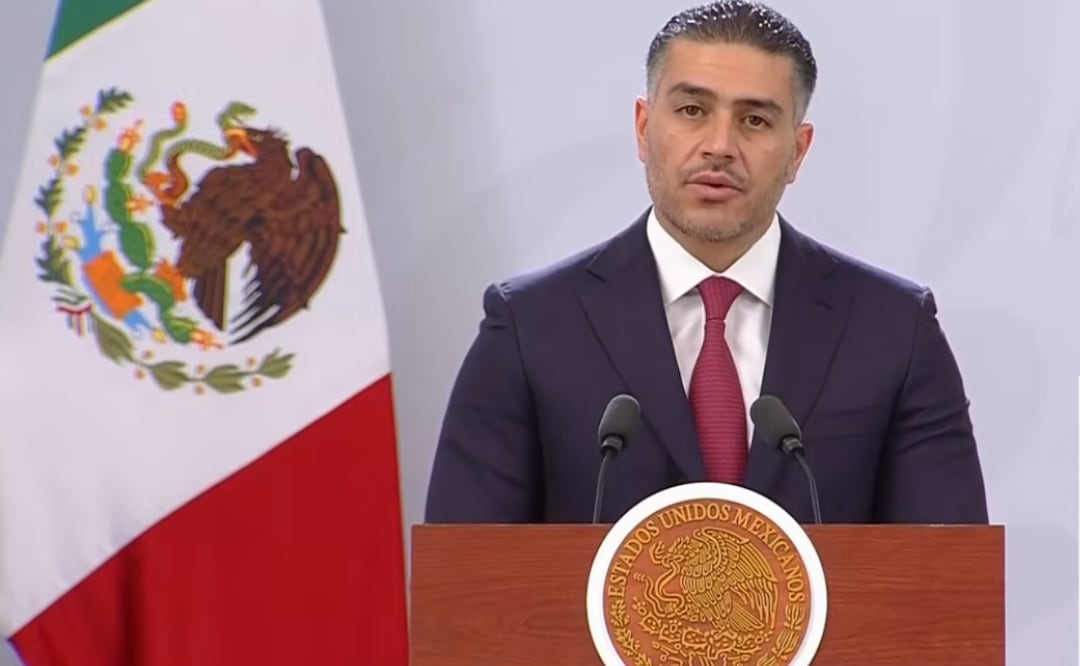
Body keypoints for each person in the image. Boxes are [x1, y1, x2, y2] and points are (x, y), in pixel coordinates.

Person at [424, 1, 989, 525]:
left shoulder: (892, 329)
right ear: (645, 128)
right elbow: (466, 589)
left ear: (798, 150)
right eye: (692, 110)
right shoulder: (531, 326)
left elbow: (946, 588)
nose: (719, 145)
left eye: (756, 120)